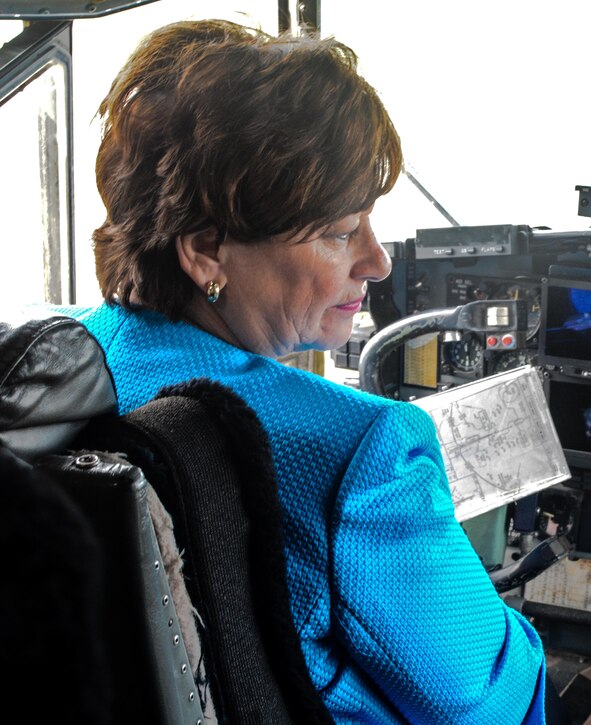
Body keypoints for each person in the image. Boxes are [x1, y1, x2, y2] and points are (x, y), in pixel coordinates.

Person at [63, 19, 548, 724]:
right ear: (206, 250)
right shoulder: (366, 454)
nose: (377, 260)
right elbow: (489, 701)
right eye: (339, 231)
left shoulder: (59, 362)